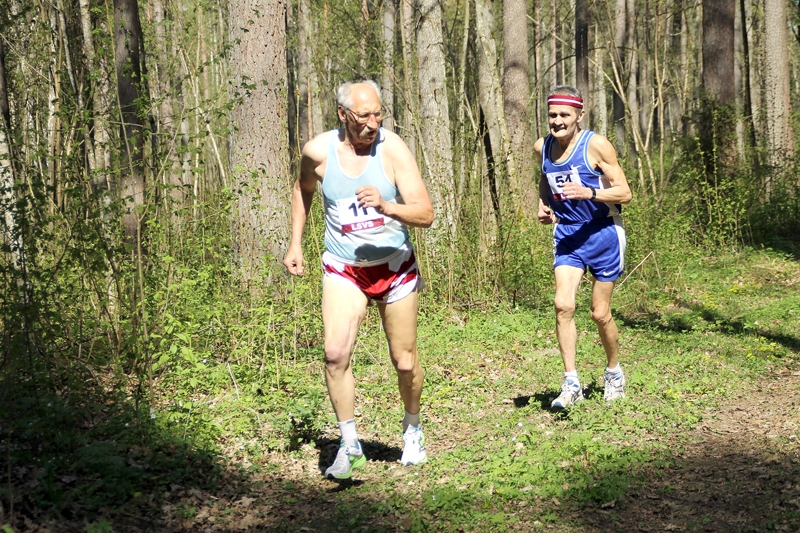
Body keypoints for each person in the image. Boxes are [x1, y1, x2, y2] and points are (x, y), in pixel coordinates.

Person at [283, 80, 434, 479]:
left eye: (378, 113)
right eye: (363, 115)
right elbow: (303, 190)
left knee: (404, 362)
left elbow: (426, 213)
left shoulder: (393, 149)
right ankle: (349, 445)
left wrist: (388, 206)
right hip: (343, 267)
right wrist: (295, 242)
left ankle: (412, 428)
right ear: (342, 115)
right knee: (335, 354)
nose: (372, 123)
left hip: (394, 266)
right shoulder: (318, 152)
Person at [534, 86, 633, 410]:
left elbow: (624, 193)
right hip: (568, 235)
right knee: (563, 305)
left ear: (579, 115)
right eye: (552, 115)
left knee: (599, 313)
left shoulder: (596, 145)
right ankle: (571, 382)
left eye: (564, 115)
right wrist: (544, 204)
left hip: (604, 232)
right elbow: (546, 179)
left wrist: (589, 193)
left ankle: (614, 372)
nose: (557, 121)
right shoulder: (543, 146)